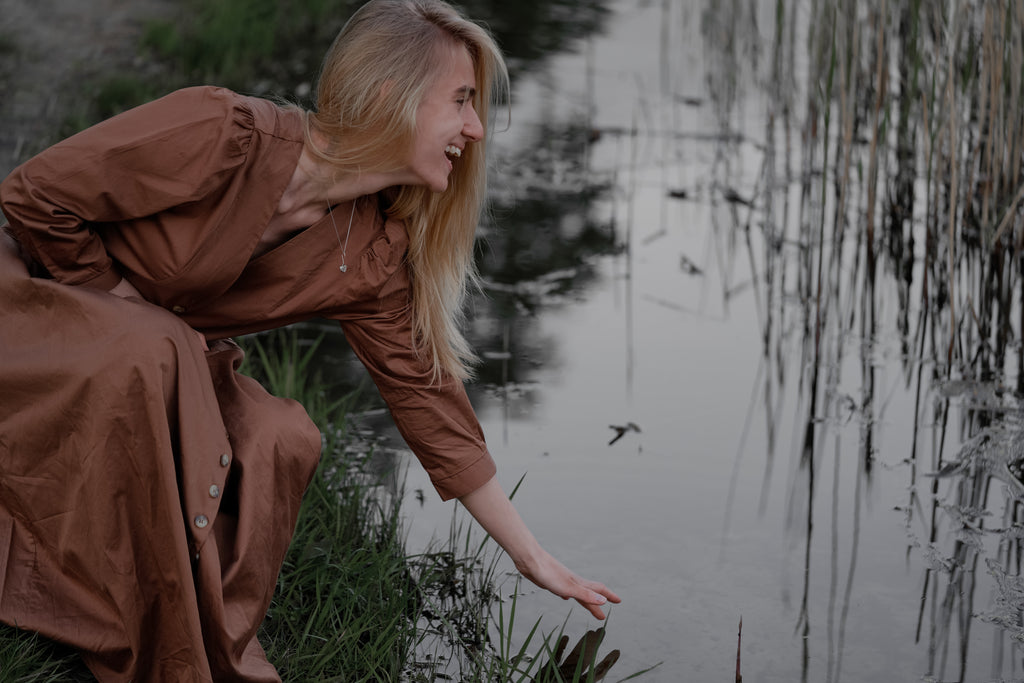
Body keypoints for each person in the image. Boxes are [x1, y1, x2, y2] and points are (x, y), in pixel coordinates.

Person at [0, 0, 620, 680]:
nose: (476, 128)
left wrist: (531, 556)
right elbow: (35, 195)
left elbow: (433, 409)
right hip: (28, 314)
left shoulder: (369, 251)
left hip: (141, 365)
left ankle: (181, 632)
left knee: (280, 434)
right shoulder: (224, 132)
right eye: (461, 100)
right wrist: (127, 308)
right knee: (153, 349)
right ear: (389, 96)